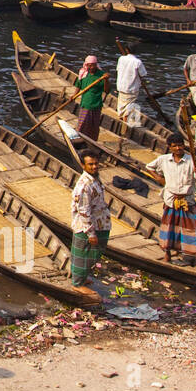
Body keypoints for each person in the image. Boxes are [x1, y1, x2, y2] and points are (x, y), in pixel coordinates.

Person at [147, 138, 196, 268]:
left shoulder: (193, 160)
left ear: (184, 145)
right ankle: (167, 255)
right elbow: (149, 167)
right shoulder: (164, 159)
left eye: (180, 145)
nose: (178, 148)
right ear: (170, 147)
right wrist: (159, 179)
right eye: (174, 146)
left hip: (187, 201)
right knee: (169, 228)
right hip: (171, 199)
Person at [70, 153, 112, 287]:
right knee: (83, 255)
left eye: (96, 164)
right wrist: (90, 233)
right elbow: (83, 211)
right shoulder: (84, 186)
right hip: (87, 226)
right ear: (83, 166)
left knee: (93, 254)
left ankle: (81, 279)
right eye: (90, 164)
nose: (94, 167)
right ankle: (77, 284)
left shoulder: (95, 179)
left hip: (100, 222)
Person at [76, 56, 108, 140]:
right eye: (89, 65)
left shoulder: (101, 75)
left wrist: (106, 80)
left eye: (93, 65)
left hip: (96, 104)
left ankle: (92, 142)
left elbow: (107, 90)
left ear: (96, 65)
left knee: (94, 126)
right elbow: (78, 85)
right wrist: (73, 96)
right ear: (86, 65)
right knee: (82, 124)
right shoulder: (83, 73)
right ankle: (79, 139)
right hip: (85, 104)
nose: (91, 67)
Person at [115, 48, 148, 127]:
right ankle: (125, 123)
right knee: (128, 108)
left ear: (127, 50)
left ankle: (122, 119)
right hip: (131, 88)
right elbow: (143, 74)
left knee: (122, 105)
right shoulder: (137, 62)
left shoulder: (121, 59)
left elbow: (118, 69)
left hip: (121, 86)